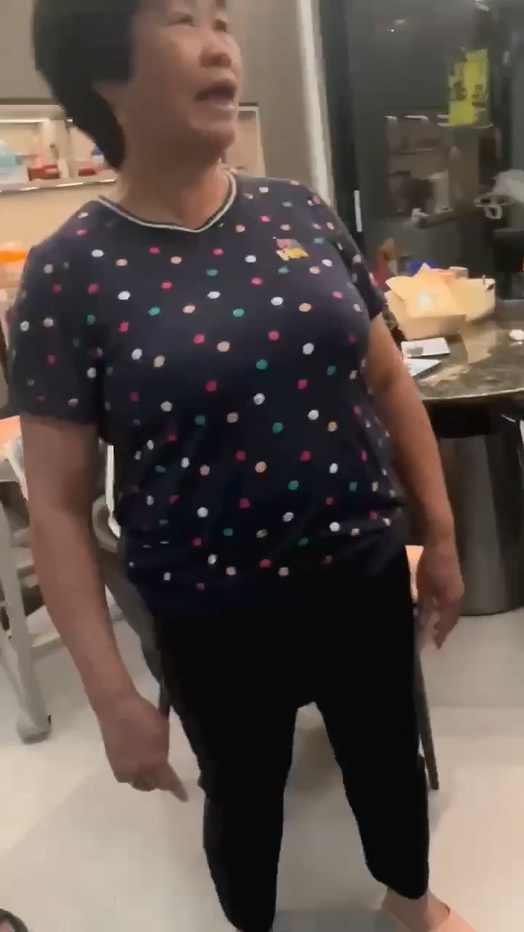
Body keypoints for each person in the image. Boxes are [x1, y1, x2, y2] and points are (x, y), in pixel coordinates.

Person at [10, 2, 472, 931]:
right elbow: (55, 506)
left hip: (361, 571)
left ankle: (410, 902)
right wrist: (111, 696)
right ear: (104, 70)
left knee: (387, 759)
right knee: (244, 795)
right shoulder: (70, 272)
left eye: (224, 19)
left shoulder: (298, 211)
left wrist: (442, 533)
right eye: (186, 19)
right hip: (211, 611)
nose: (222, 44)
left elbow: (388, 380)